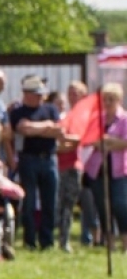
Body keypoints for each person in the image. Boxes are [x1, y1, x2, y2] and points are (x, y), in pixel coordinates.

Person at [7, 74, 64, 251]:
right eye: (36, 94)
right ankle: (29, 240)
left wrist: (36, 127)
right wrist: (46, 127)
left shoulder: (50, 109)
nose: (40, 97)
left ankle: (47, 240)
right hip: (28, 159)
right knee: (29, 202)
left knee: (50, 202)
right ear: (27, 94)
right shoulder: (17, 112)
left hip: (49, 159)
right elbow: (23, 129)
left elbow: (58, 131)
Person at [85, 83, 127, 252]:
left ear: (119, 100)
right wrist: (107, 142)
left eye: (111, 99)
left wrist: (107, 142)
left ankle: (125, 241)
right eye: (105, 99)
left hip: (118, 171)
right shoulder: (97, 119)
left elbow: (124, 142)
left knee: (120, 205)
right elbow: (91, 140)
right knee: (103, 207)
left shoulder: (124, 119)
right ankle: (109, 243)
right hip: (98, 170)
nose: (108, 103)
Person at [57, 79, 91, 252]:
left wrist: (63, 143)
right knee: (60, 204)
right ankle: (58, 238)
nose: (72, 96)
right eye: (70, 92)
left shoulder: (85, 116)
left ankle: (67, 240)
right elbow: (57, 137)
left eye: (76, 92)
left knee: (71, 203)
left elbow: (81, 139)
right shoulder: (64, 116)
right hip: (59, 165)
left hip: (75, 165)